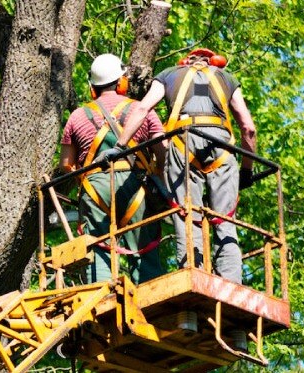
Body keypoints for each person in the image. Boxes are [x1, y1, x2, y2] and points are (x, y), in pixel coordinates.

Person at [109, 48, 256, 350]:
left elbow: (142, 109)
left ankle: (192, 286)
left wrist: (121, 144)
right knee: (225, 221)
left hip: (183, 144)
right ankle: (233, 292)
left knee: (187, 215)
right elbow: (248, 127)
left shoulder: (169, 76)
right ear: (211, 62)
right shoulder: (228, 78)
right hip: (223, 149)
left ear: (186, 62)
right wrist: (247, 170)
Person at [59, 53, 167, 284]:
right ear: (121, 82)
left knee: (97, 247)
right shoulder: (141, 109)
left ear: (93, 87)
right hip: (135, 185)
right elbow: (163, 152)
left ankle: (101, 295)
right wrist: (158, 176)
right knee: (143, 248)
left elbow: (65, 165)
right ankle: (149, 294)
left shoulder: (77, 116)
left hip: (95, 186)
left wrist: (85, 183)